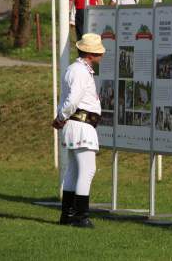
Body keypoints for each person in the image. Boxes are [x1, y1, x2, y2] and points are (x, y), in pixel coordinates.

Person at [52, 33, 105, 228]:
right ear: (91, 53)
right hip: (81, 124)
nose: (102, 56)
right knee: (87, 170)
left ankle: (67, 214)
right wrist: (61, 117)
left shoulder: (76, 69)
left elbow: (67, 98)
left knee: (74, 170)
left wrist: (61, 117)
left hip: (77, 124)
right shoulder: (80, 72)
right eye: (99, 52)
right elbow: (73, 99)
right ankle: (80, 216)